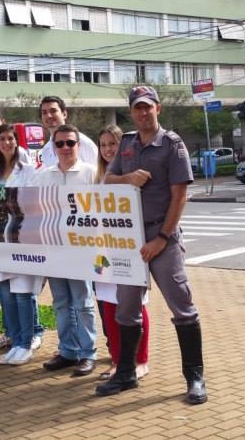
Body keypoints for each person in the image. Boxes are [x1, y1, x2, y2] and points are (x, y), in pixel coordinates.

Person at [99, 85, 207, 404]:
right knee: (127, 309)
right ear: (131, 112)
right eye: (137, 108)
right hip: (130, 241)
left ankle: (194, 376)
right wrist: (128, 177)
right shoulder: (129, 143)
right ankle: (127, 373)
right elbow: (109, 180)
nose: (143, 112)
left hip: (163, 239)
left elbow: (180, 196)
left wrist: (162, 238)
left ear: (158, 108)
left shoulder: (172, 145)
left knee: (182, 307)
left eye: (148, 106)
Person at [31, 124, 99, 377]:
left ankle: (88, 352)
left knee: (83, 303)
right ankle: (68, 351)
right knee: (61, 303)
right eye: (59, 144)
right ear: (54, 147)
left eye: (70, 143)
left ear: (78, 146)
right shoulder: (44, 176)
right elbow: (35, 211)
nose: (65, 148)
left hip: (81, 251)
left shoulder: (91, 174)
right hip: (54, 250)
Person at [94, 124, 150, 381]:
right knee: (107, 304)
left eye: (112, 144)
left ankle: (140, 360)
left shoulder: (133, 174)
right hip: (101, 250)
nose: (107, 149)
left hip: (130, 250)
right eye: (103, 145)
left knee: (135, 306)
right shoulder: (97, 177)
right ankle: (117, 361)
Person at [0, 124, 42, 366]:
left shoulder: (28, 171)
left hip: (21, 241)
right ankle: (16, 341)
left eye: (10, 139)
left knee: (22, 295)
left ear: (16, 142)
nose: (7, 143)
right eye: (2, 139)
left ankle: (26, 344)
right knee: (6, 296)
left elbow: (33, 203)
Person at [38, 95, 99, 167]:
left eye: (53, 111)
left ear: (64, 114)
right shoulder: (45, 151)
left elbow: (98, 174)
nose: (48, 116)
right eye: (44, 112)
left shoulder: (84, 143)